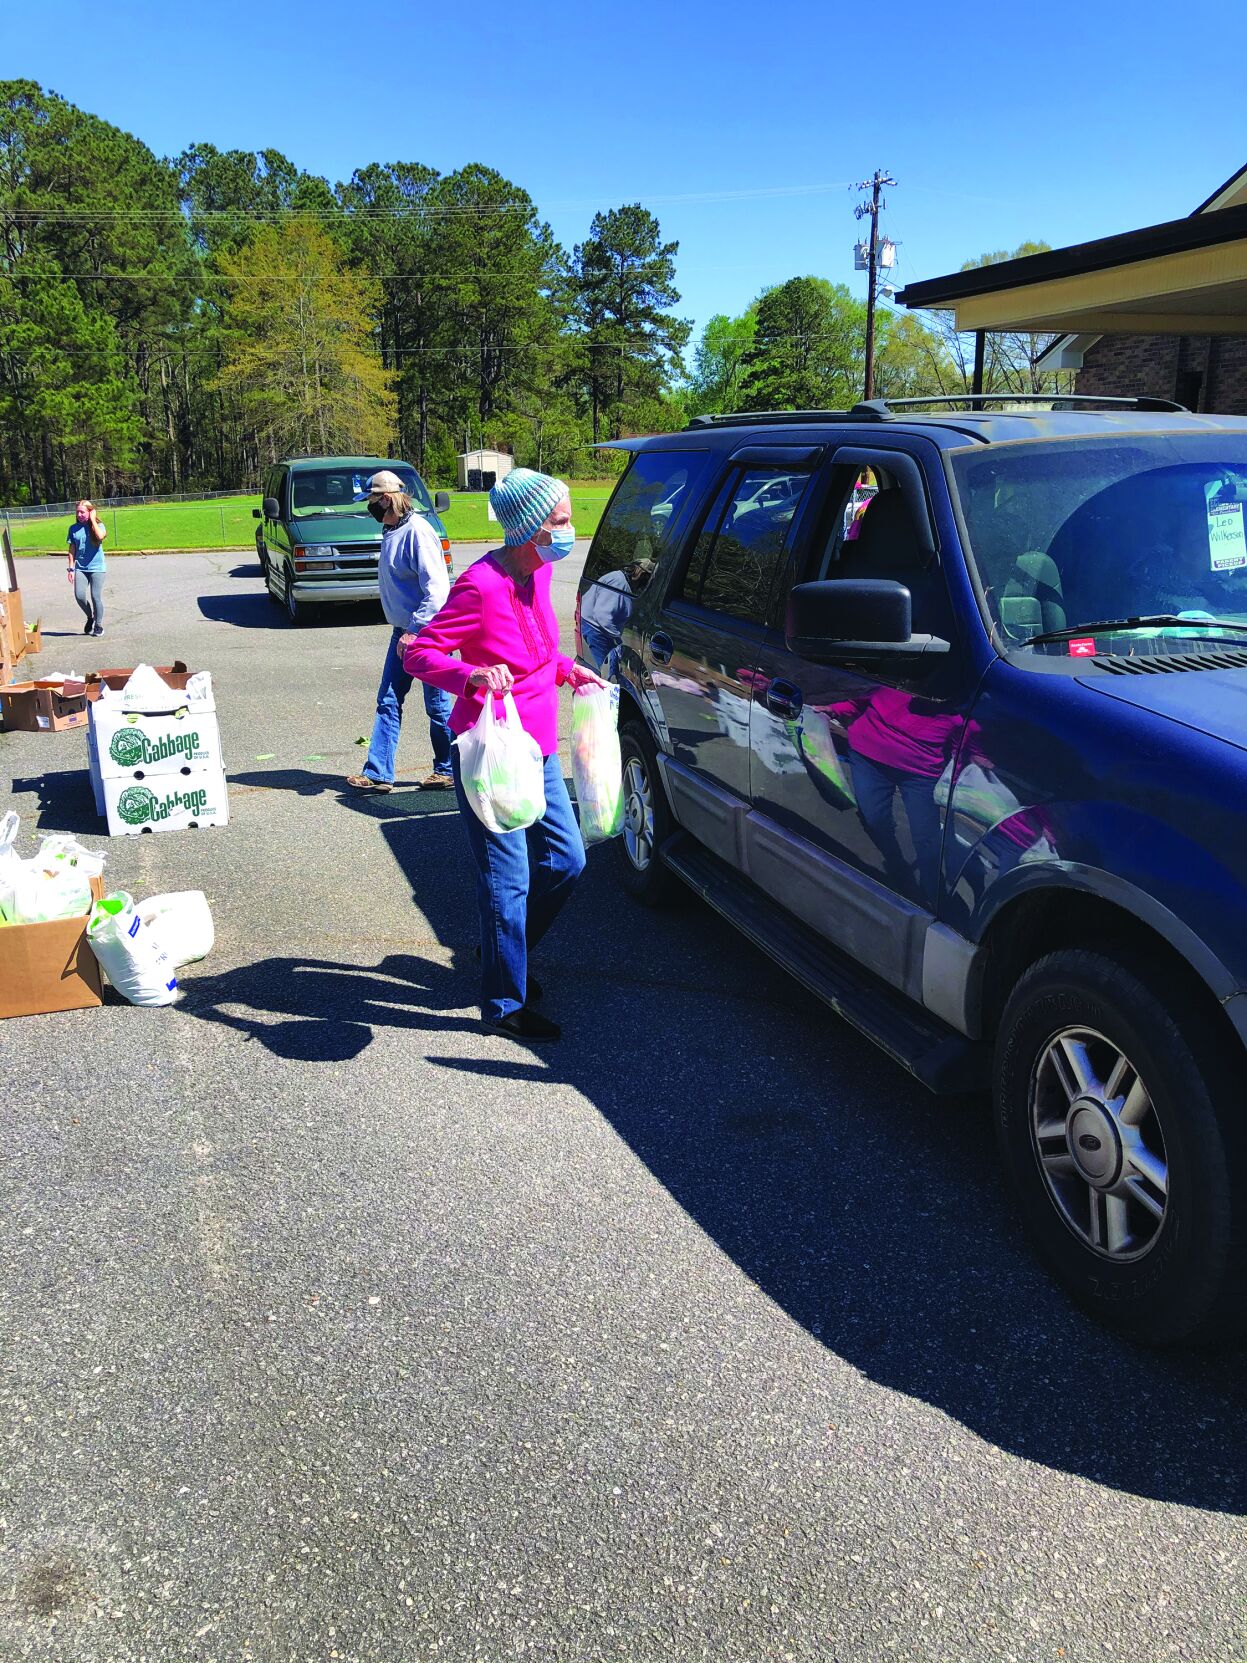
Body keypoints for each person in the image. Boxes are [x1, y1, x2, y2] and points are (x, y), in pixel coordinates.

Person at [404, 467, 607, 1042]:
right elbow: (420, 653)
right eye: (560, 521)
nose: (570, 531)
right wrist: (469, 676)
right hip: (491, 755)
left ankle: (503, 949)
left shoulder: (537, 572)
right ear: (527, 527)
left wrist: (569, 670)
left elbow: (539, 652)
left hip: (539, 748)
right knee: (507, 880)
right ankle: (504, 1002)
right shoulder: (480, 585)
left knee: (568, 861)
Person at [346, 469, 455, 794]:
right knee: (389, 700)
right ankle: (379, 773)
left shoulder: (418, 533)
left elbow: (437, 591)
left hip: (429, 634)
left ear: (387, 498)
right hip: (404, 632)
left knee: (437, 705)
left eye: (372, 500)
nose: (370, 507)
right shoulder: (392, 529)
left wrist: (415, 630)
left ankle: (447, 768)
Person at [579, 558, 654, 672]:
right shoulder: (619, 583)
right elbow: (603, 616)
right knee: (608, 674)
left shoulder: (619, 579)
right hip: (597, 632)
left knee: (605, 670)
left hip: (596, 629)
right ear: (641, 574)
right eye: (647, 578)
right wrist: (618, 639)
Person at [66, 500, 107, 637]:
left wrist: (93, 520)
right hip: (81, 568)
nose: (79, 514)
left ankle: (99, 625)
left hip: (97, 567)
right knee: (79, 596)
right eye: (77, 512)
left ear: (90, 512)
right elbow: (72, 549)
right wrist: (71, 569)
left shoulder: (99, 525)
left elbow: (100, 536)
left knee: (96, 596)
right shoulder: (73, 528)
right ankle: (90, 617)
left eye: (82, 512)